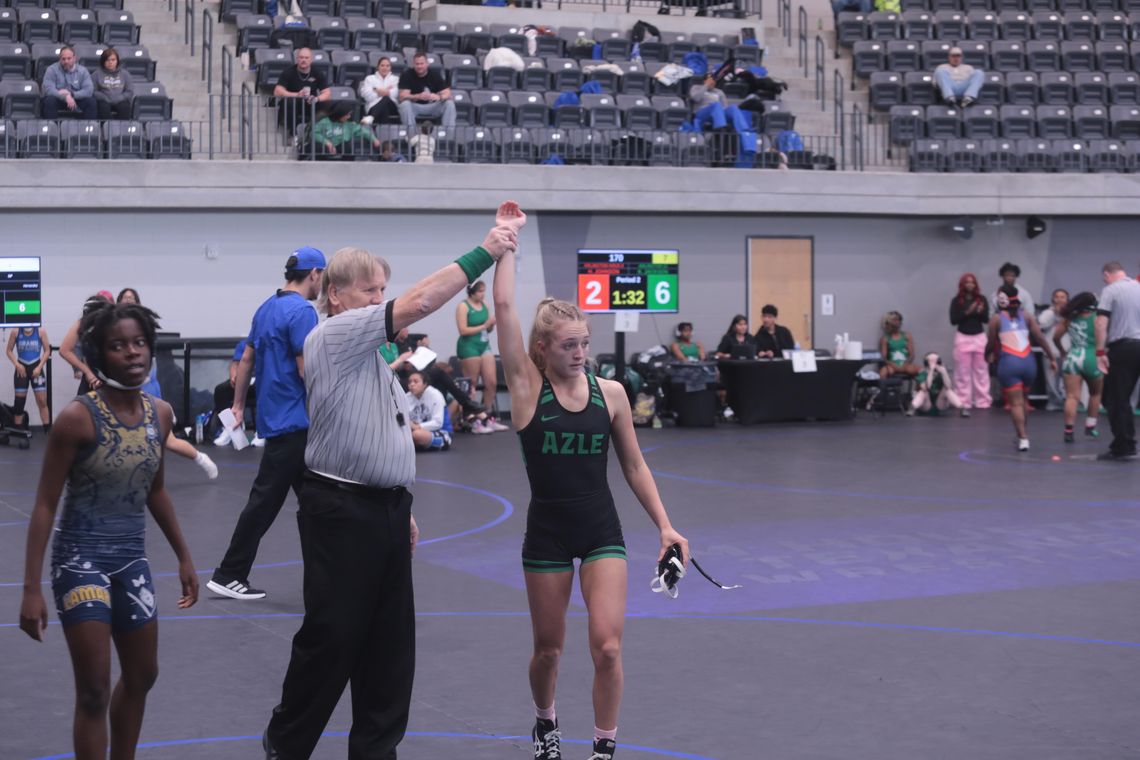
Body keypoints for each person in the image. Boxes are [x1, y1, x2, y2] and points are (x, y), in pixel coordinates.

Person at [261, 211, 518, 760]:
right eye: (370, 290)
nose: (382, 298)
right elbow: (422, 301)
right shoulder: (332, 333)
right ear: (334, 295)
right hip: (341, 510)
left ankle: (376, 752)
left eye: (383, 289)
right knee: (332, 640)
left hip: (381, 509)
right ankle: (286, 747)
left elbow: (387, 433)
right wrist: (488, 250)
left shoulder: (375, 358)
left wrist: (401, 503)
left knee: (389, 647)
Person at [491, 202, 688, 760]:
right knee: (549, 651)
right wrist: (507, 238)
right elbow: (504, 305)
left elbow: (633, 465)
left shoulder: (614, 394)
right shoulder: (530, 393)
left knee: (607, 647)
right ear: (542, 350)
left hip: (602, 528)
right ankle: (546, 722)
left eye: (584, 342)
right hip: (547, 534)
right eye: (567, 345)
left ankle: (604, 746)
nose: (580, 354)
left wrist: (667, 527)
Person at [18, 300, 198, 760]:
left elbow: (155, 491)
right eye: (119, 346)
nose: (133, 353)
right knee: (94, 690)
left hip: (130, 560)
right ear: (99, 354)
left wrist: (183, 556)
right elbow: (43, 504)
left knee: (143, 676)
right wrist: (30, 589)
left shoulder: (160, 414)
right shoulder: (77, 418)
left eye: (139, 343)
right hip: (80, 563)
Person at [207, 246, 325, 601]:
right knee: (267, 502)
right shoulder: (304, 311)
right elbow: (308, 370)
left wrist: (239, 404)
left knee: (317, 504)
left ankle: (327, 577)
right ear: (315, 274)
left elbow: (247, 360)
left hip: (277, 421)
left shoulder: (267, 307)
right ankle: (229, 572)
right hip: (297, 424)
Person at [114, 288, 218, 480]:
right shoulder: (113, 329)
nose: (128, 301)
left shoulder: (143, 328)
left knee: (166, 438)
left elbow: (144, 360)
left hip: (144, 387)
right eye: (124, 298)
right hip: (122, 390)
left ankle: (200, 458)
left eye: (132, 299)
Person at [987, 284, 1056, 451]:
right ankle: (1022, 435)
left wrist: (986, 356)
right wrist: (1051, 357)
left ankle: (1023, 438)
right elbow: (1039, 337)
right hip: (1028, 363)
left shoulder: (996, 319)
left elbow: (990, 343)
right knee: (1024, 400)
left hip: (1009, 363)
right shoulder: (1026, 316)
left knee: (1016, 404)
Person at [1094, 261, 1140, 461]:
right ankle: (1126, 441)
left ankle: (1124, 445)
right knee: (1123, 399)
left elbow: (1101, 323)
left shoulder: (1110, 290)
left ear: (1107, 275)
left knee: (1116, 399)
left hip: (1123, 348)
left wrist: (1099, 352)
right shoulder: (1139, 287)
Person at [455, 280, 509, 433]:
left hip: (484, 345)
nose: (482, 294)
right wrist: (485, 325)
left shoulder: (485, 305)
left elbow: (488, 329)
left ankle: (487, 417)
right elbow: (463, 330)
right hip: (468, 346)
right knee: (470, 386)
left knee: (491, 382)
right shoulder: (463, 306)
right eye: (480, 291)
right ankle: (472, 420)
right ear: (472, 292)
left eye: (484, 291)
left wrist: (491, 324)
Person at [1053, 291, 1103, 443]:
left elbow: (1056, 337)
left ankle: (1068, 430)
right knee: (1095, 393)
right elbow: (1103, 339)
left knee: (1071, 397)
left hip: (1073, 358)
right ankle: (1090, 426)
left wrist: (1062, 351)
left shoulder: (1069, 319)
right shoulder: (1097, 319)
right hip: (1091, 358)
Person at [949, 272, 990, 414]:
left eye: (972, 282)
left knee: (981, 371)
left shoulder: (982, 299)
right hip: (963, 337)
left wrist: (979, 311)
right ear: (963, 284)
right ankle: (963, 401)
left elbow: (986, 320)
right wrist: (969, 311)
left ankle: (982, 401)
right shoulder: (956, 301)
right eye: (967, 282)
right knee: (962, 372)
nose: (970, 285)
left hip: (979, 337)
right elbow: (954, 320)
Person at [59, 292, 115, 395]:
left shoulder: (112, 326)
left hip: (112, 379)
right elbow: (64, 350)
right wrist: (87, 372)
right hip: (92, 379)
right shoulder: (83, 324)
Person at [6, 324, 51, 433]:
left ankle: (47, 430)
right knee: (19, 402)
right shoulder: (16, 331)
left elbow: (47, 350)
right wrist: (17, 364)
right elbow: (8, 350)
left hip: (36, 368)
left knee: (42, 401)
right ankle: (18, 430)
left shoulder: (40, 331)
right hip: (21, 369)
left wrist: (40, 367)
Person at [274, 48, 331, 134]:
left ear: (311, 60)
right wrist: (296, 95)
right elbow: (277, 91)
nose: (303, 60)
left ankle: (318, 133)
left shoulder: (317, 73)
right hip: (293, 102)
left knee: (325, 103)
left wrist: (316, 99)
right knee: (290, 102)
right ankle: (292, 134)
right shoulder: (288, 72)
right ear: (297, 59)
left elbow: (327, 93)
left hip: (310, 103)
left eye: (306, 58)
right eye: (301, 57)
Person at [398, 51, 456, 129]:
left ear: (427, 63)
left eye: (422, 63)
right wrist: (418, 96)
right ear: (413, 64)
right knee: (404, 105)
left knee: (449, 103)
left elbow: (448, 93)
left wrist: (439, 97)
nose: (419, 66)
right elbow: (402, 96)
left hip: (433, 106)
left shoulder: (435, 75)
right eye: (417, 64)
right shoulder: (407, 75)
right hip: (415, 106)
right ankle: (411, 135)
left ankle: (448, 137)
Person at [308, 101, 381, 159]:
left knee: (347, 147)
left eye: (349, 114)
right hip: (325, 147)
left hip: (340, 147)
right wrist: (327, 143)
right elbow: (314, 133)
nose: (348, 117)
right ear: (340, 113)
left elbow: (362, 131)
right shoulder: (325, 121)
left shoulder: (349, 124)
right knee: (321, 149)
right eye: (347, 114)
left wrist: (373, 139)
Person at [41, 45, 97, 120]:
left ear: (74, 58)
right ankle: (52, 128)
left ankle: (88, 129)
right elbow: (48, 89)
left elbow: (88, 91)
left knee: (91, 102)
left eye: (69, 58)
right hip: (58, 99)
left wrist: (71, 94)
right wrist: (65, 97)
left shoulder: (83, 71)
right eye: (63, 59)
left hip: (77, 99)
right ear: (60, 59)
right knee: (49, 101)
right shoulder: (51, 69)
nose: (66, 61)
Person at [1036, 288, 1069, 411]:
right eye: (1057, 297)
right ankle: (1054, 403)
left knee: (1067, 380)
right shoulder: (1047, 312)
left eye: (1063, 297)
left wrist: (1064, 315)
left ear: (1067, 300)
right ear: (1053, 299)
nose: (1060, 299)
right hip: (1050, 352)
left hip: (1067, 352)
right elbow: (1042, 324)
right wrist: (1054, 313)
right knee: (1051, 381)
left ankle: (1067, 402)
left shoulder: (1071, 314)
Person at [405, 369, 452, 451]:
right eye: (410, 382)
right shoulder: (407, 397)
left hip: (439, 432)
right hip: (413, 430)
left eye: (416, 382)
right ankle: (417, 445)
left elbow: (438, 423)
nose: (412, 384)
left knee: (417, 435)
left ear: (425, 384)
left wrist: (417, 426)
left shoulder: (435, 395)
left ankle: (434, 443)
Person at [910, 352, 965, 417]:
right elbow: (927, 387)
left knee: (947, 390)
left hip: (940, 404)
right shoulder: (922, 373)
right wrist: (931, 371)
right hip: (926, 405)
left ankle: (962, 409)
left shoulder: (942, 372)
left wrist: (944, 373)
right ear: (926, 362)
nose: (934, 362)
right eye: (932, 360)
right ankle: (912, 408)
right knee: (923, 392)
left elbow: (949, 386)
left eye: (936, 360)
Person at [92, 48, 134, 121]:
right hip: (104, 100)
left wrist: (120, 98)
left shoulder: (125, 74)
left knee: (125, 107)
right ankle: (108, 129)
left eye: (113, 60)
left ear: (117, 61)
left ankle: (121, 130)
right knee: (102, 107)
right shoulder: (96, 74)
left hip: (120, 100)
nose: (110, 62)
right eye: (107, 60)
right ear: (103, 61)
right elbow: (93, 91)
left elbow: (129, 92)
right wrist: (104, 97)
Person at [359, 56, 401, 125]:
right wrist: (385, 92)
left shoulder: (396, 79)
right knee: (384, 109)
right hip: (373, 106)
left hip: (392, 107)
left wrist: (377, 90)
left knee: (386, 98)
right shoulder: (369, 79)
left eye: (387, 66)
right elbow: (366, 95)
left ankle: (371, 117)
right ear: (378, 67)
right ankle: (384, 134)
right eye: (382, 65)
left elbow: (396, 93)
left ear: (390, 68)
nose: (385, 68)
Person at [879, 311, 920, 378]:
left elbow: (912, 355)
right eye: (894, 320)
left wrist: (905, 364)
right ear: (889, 322)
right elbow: (884, 358)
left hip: (905, 365)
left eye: (899, 320)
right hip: (892, 365)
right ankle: (882, 388)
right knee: (883, 372)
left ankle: (920, 388)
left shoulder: (907, 335)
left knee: (923, 371)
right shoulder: (885, 338)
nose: (897, 322)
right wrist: (894, 365)